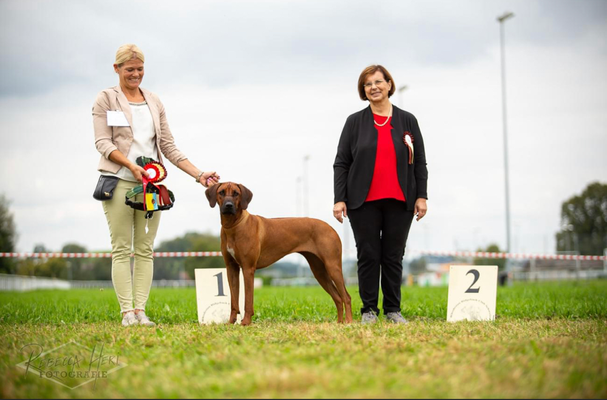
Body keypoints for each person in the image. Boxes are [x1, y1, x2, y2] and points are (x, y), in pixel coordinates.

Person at [92, 44, 220, 327]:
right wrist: (130, 166)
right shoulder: (105, 99)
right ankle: (127, 312)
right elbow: (102, 143)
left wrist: (199, 175)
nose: (135, 74)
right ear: (116, 69)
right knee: (122, 248)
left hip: (151, 187)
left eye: (139, 69)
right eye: (129, 70)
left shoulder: (154, 100)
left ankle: (141, 311)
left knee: (146, 249)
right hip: (119, 183)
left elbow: (168, 146)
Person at [333, 65, 428, 324]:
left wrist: (422, 196)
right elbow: (341, 162)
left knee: (393, 256)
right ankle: (369, 311)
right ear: (363, 91)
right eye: (367, 84)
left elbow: (419, 161)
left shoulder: (408, 120)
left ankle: (393, 310)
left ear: (388, 84)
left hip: (401, 199)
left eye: (378, 82)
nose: (373, 87)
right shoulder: (354, 122)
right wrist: (339, 198)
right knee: (368, 255)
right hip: (362, 201)